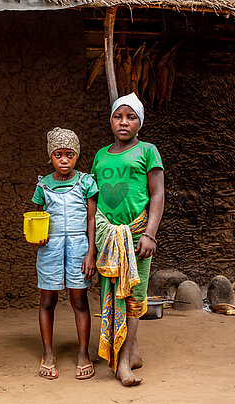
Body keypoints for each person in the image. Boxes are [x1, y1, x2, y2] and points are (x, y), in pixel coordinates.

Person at [91, 92, 165, 386]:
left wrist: (150, 234)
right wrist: (92, 241)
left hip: (136, 235)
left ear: (140, 122)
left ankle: (123, 363)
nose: (123, 122)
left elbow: (157, 193)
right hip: (107, 237)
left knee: (134, 296)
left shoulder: (148, 151)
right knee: (110, 294)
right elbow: (93, 201)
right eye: (118, 116)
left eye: (131, 117)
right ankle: (129, 351)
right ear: (110, 120)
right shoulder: (100, 155)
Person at [31, 127, 98, 380]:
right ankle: (48, 353)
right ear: (51, 156)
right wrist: (39, 234)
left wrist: (90, 253)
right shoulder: (43, 185)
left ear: (76, 156)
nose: (64, 160)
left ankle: (83, 353)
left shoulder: (86, 183)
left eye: (69, 154)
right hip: (50, 249)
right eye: (58, 154)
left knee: (79, 301)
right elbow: (38, 216)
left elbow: (91, 219)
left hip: (80, 247)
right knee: (48, 301)